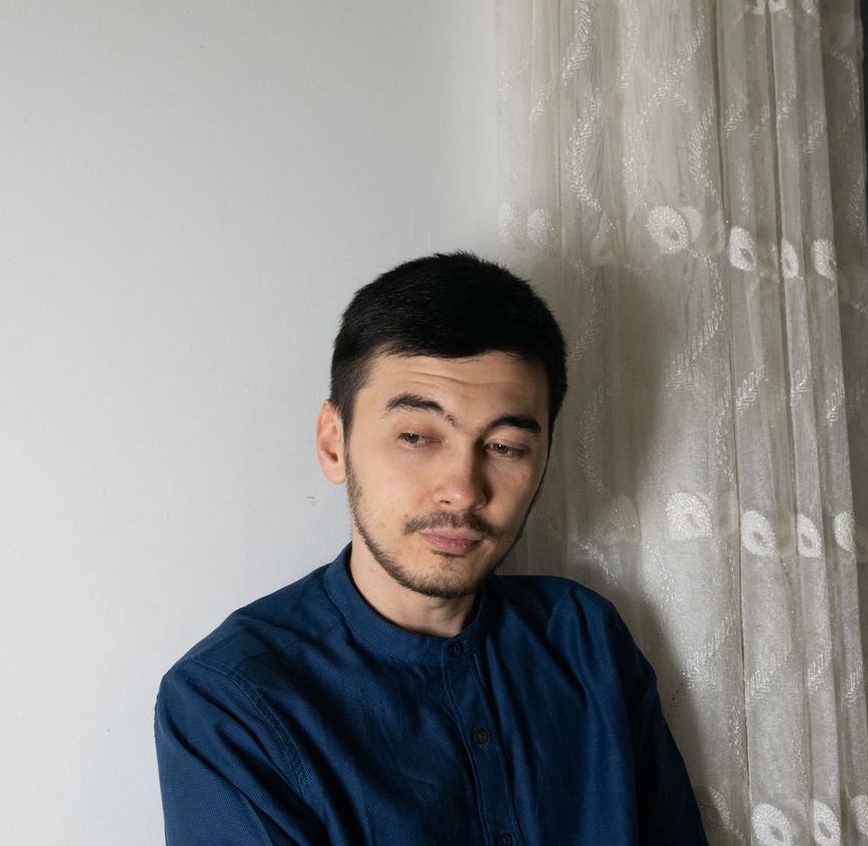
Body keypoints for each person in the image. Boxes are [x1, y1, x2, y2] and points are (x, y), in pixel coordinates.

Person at [154, 252, 708, 844]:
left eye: (505, 447)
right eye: (417, 436)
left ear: (543, 470)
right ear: (334, 444)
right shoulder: (230, 701)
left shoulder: (586, 638)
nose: (463, 491)